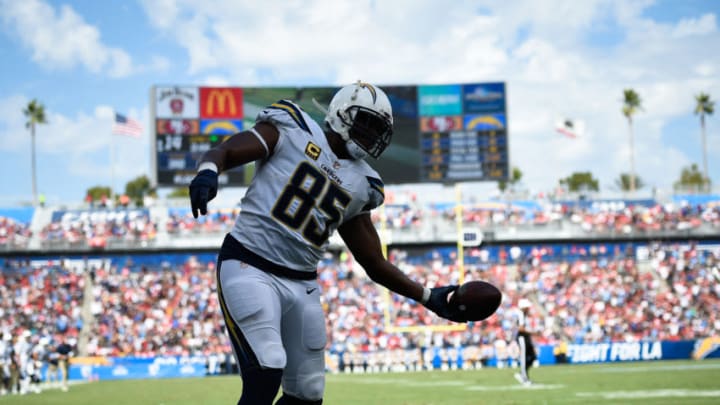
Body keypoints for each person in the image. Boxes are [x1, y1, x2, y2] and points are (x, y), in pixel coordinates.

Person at [189, 81, 467, 404]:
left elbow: (374, 263)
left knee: (308, 393)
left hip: (302, 284)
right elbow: (224, 150)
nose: (371, 136)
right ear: (341, 114)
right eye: (366, 124)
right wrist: (209, 169)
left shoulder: (362, 184)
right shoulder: (292, 127)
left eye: (378, 130)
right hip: (250, 264)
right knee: (267, 367)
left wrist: (428, 296)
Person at [513, 298, 537, 386]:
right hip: (522, 337)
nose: (529, 308)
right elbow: (521, 328)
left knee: (533, 356)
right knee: (523, 358)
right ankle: (524, 377)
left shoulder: (524, 315)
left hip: (526, 337)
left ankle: (523, 374)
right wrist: (533, 332)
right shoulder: (521, 314)